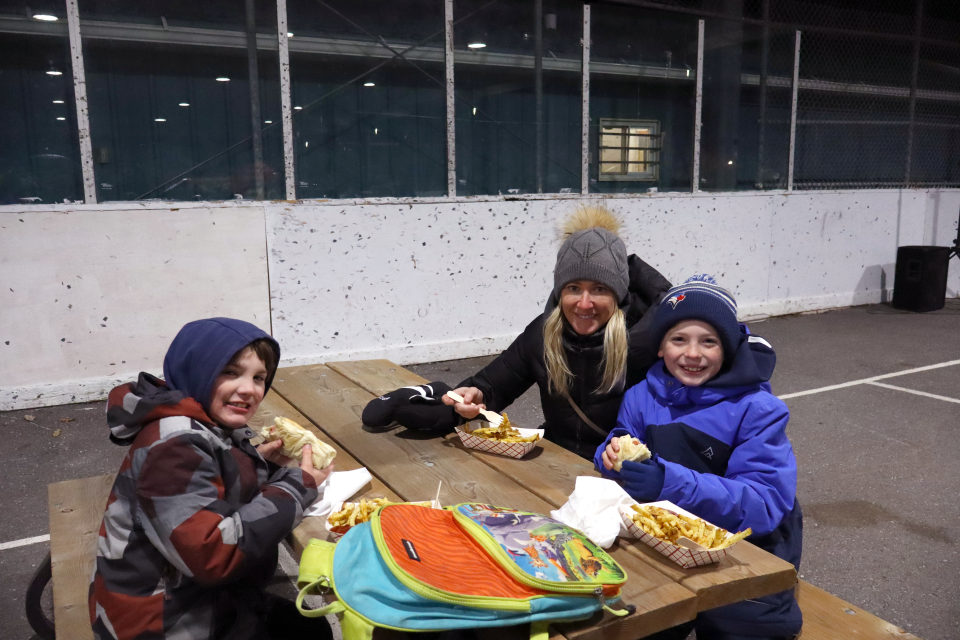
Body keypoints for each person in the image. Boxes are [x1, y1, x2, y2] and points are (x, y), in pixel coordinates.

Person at [90, 317, 334, 640]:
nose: (249, 389)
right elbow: (213, 554)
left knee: (308, 625)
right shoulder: (173, 445)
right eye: (231, 372)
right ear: (197, 371)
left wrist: (255, 463)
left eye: (259, 377)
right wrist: (296, 486)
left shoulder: (199, 423)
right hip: (156, 623)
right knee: (309, 632)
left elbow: (207, 483)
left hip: (186, 596)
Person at [595, 276, 803, 640]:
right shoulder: (642, 396)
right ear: (660, 347)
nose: (693, 354)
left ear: (728, 349)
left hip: (747, 553)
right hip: (668, 543)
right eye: (679, 339)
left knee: (746, 626)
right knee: (631, 621)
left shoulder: (757, 410)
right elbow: (622, 438)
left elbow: (766, 503)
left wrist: (668, 482)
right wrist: (609, 452)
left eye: (709, 341)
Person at [442, 205, 671, 459]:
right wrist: (476, 395)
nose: (584, 304)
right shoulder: (542, 333)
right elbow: (492, 385)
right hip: (555, 462)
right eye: (573, 288)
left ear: (618, 295)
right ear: (559, 292)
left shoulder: (649, 340)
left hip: (620, 474)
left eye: (599, 289)